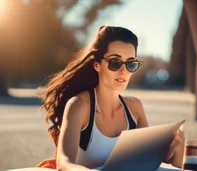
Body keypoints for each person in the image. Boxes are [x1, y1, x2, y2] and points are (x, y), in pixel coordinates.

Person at [38, 26, 185, 171]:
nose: (123, 71)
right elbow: (64, 164)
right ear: (97, 65)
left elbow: (145, 162)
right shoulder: (79, 105)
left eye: (131, 64)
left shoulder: (135, 108)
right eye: (115, 63)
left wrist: (176, 149)